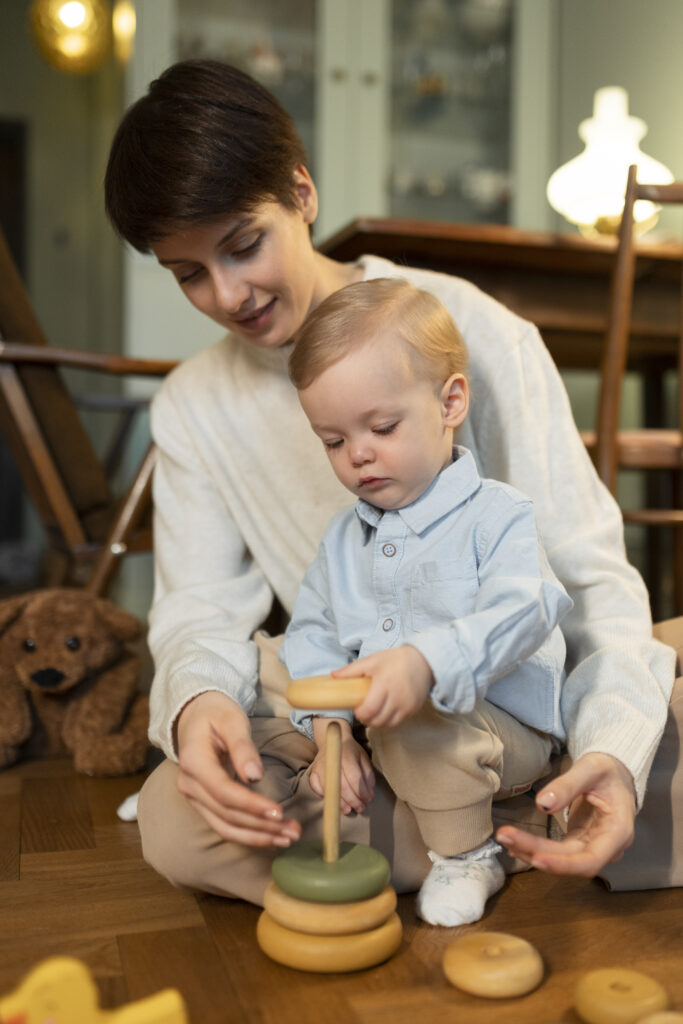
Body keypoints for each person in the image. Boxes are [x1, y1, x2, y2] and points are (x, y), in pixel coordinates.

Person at [103, 58, 678, 906]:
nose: (226, 294)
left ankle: (543, 807)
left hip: (522, 703)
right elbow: (199, 613)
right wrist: (194, 712)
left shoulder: (475, 332)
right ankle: (506, 834)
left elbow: (584, 578)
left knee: (639, 680)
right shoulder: (194, 406)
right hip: (374, 741)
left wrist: (612, 745)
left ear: (301, 193)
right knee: (174, 817)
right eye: (188, 272)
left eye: (242, 246)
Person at [281, 277, 573, 926]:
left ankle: (468, 855)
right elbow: (312, 638)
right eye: (331, 440)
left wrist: (425, 664)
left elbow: (527, 606)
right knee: (272, 664)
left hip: (499, 731)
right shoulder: (339, 541)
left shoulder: (496, 514)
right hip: (386, 731)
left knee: (411, 718)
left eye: (381, 426)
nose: (357, 454)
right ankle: (398, 795)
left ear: (449, 403)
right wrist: (332, 735)